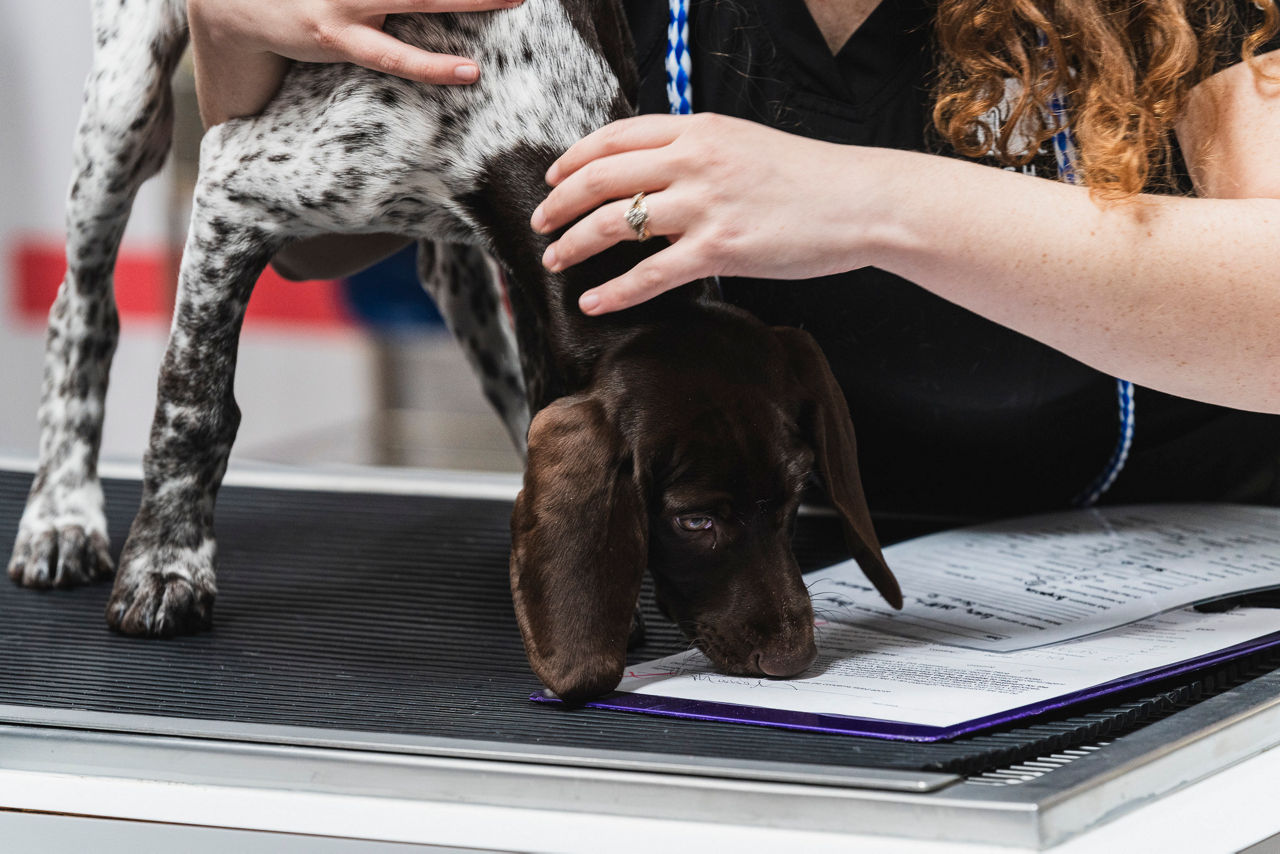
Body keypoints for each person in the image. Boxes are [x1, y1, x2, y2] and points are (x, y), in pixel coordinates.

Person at [190, 0, 1280, 528]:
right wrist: (231, 33)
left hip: (1179, 589)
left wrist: (868, 201)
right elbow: (325, 241)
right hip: (764, 602)